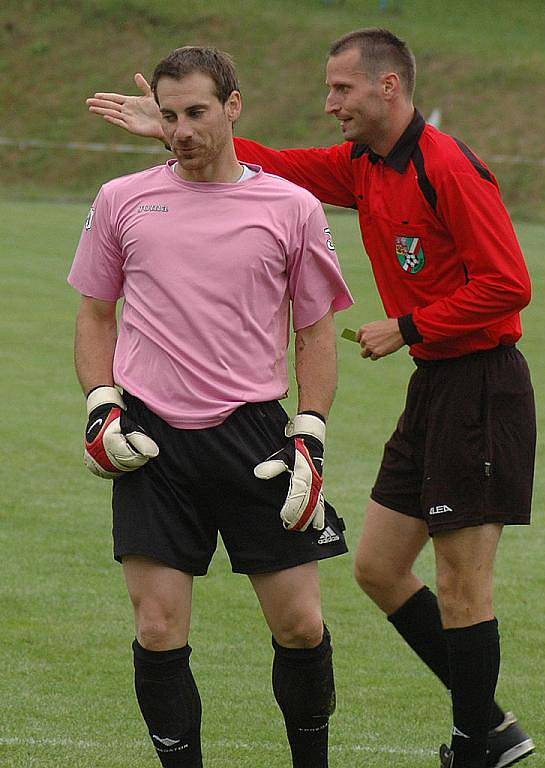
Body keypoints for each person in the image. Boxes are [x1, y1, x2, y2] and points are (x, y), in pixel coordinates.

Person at [86, 28, 537, 768]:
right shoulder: (365, 164)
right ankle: (492, 725)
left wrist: (410, 324)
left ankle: (476, 743)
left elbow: (510, 285)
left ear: (388, 87)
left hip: (483, 386)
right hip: (435, 384)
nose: (329, 104)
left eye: (341, 89)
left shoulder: (446, 167)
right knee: (378, 570)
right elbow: (267, 166)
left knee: (462, 586)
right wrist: (175, 128)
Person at [71, 45, 354, 768]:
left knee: (300, 624)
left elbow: (315, 331)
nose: (182, 129)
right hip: (151, 440)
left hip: (256, 436)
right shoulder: (121, 198)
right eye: (169, 116)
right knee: (158, 627)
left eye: (197, 112)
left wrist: (311, 436)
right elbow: (96, 315)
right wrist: (102, 405)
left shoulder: (291, 206)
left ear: (233, 107)